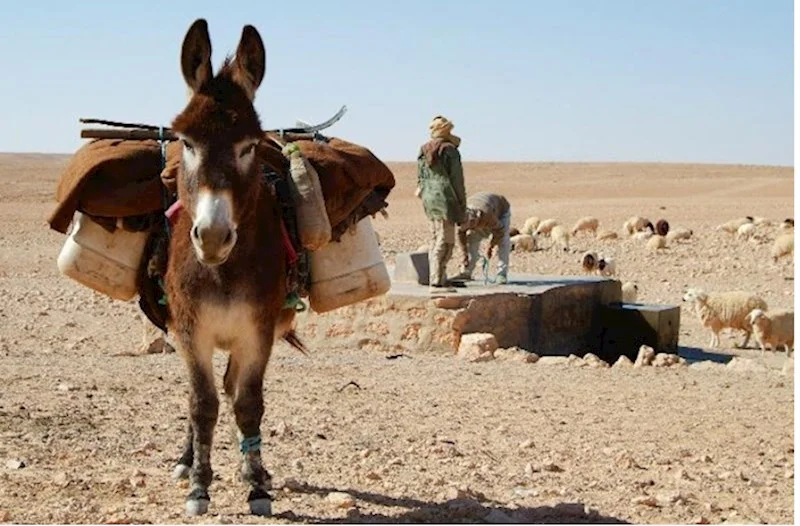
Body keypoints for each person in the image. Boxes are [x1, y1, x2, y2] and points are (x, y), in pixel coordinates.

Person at [416, 115, 467, 291]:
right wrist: (462, 205)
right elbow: (457, 181)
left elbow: (420, 177)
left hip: (429, 198)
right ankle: (437, 279)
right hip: (446, 198)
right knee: (446, 241)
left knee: (434, 237)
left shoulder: (423, 150)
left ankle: (439, 276)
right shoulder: (449, 150)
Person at [455, 192, 512, 284]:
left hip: (501, 210)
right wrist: (464, 254)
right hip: (482, 211)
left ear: (475, 220)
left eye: (473, 225)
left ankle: (501, 274)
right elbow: (460, 234)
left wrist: (491, 246)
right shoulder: (462, 218)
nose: (472, 228)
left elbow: (500, 230)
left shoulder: (487, 214)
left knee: (503, 241)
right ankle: (466, 272)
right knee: (471, 239)